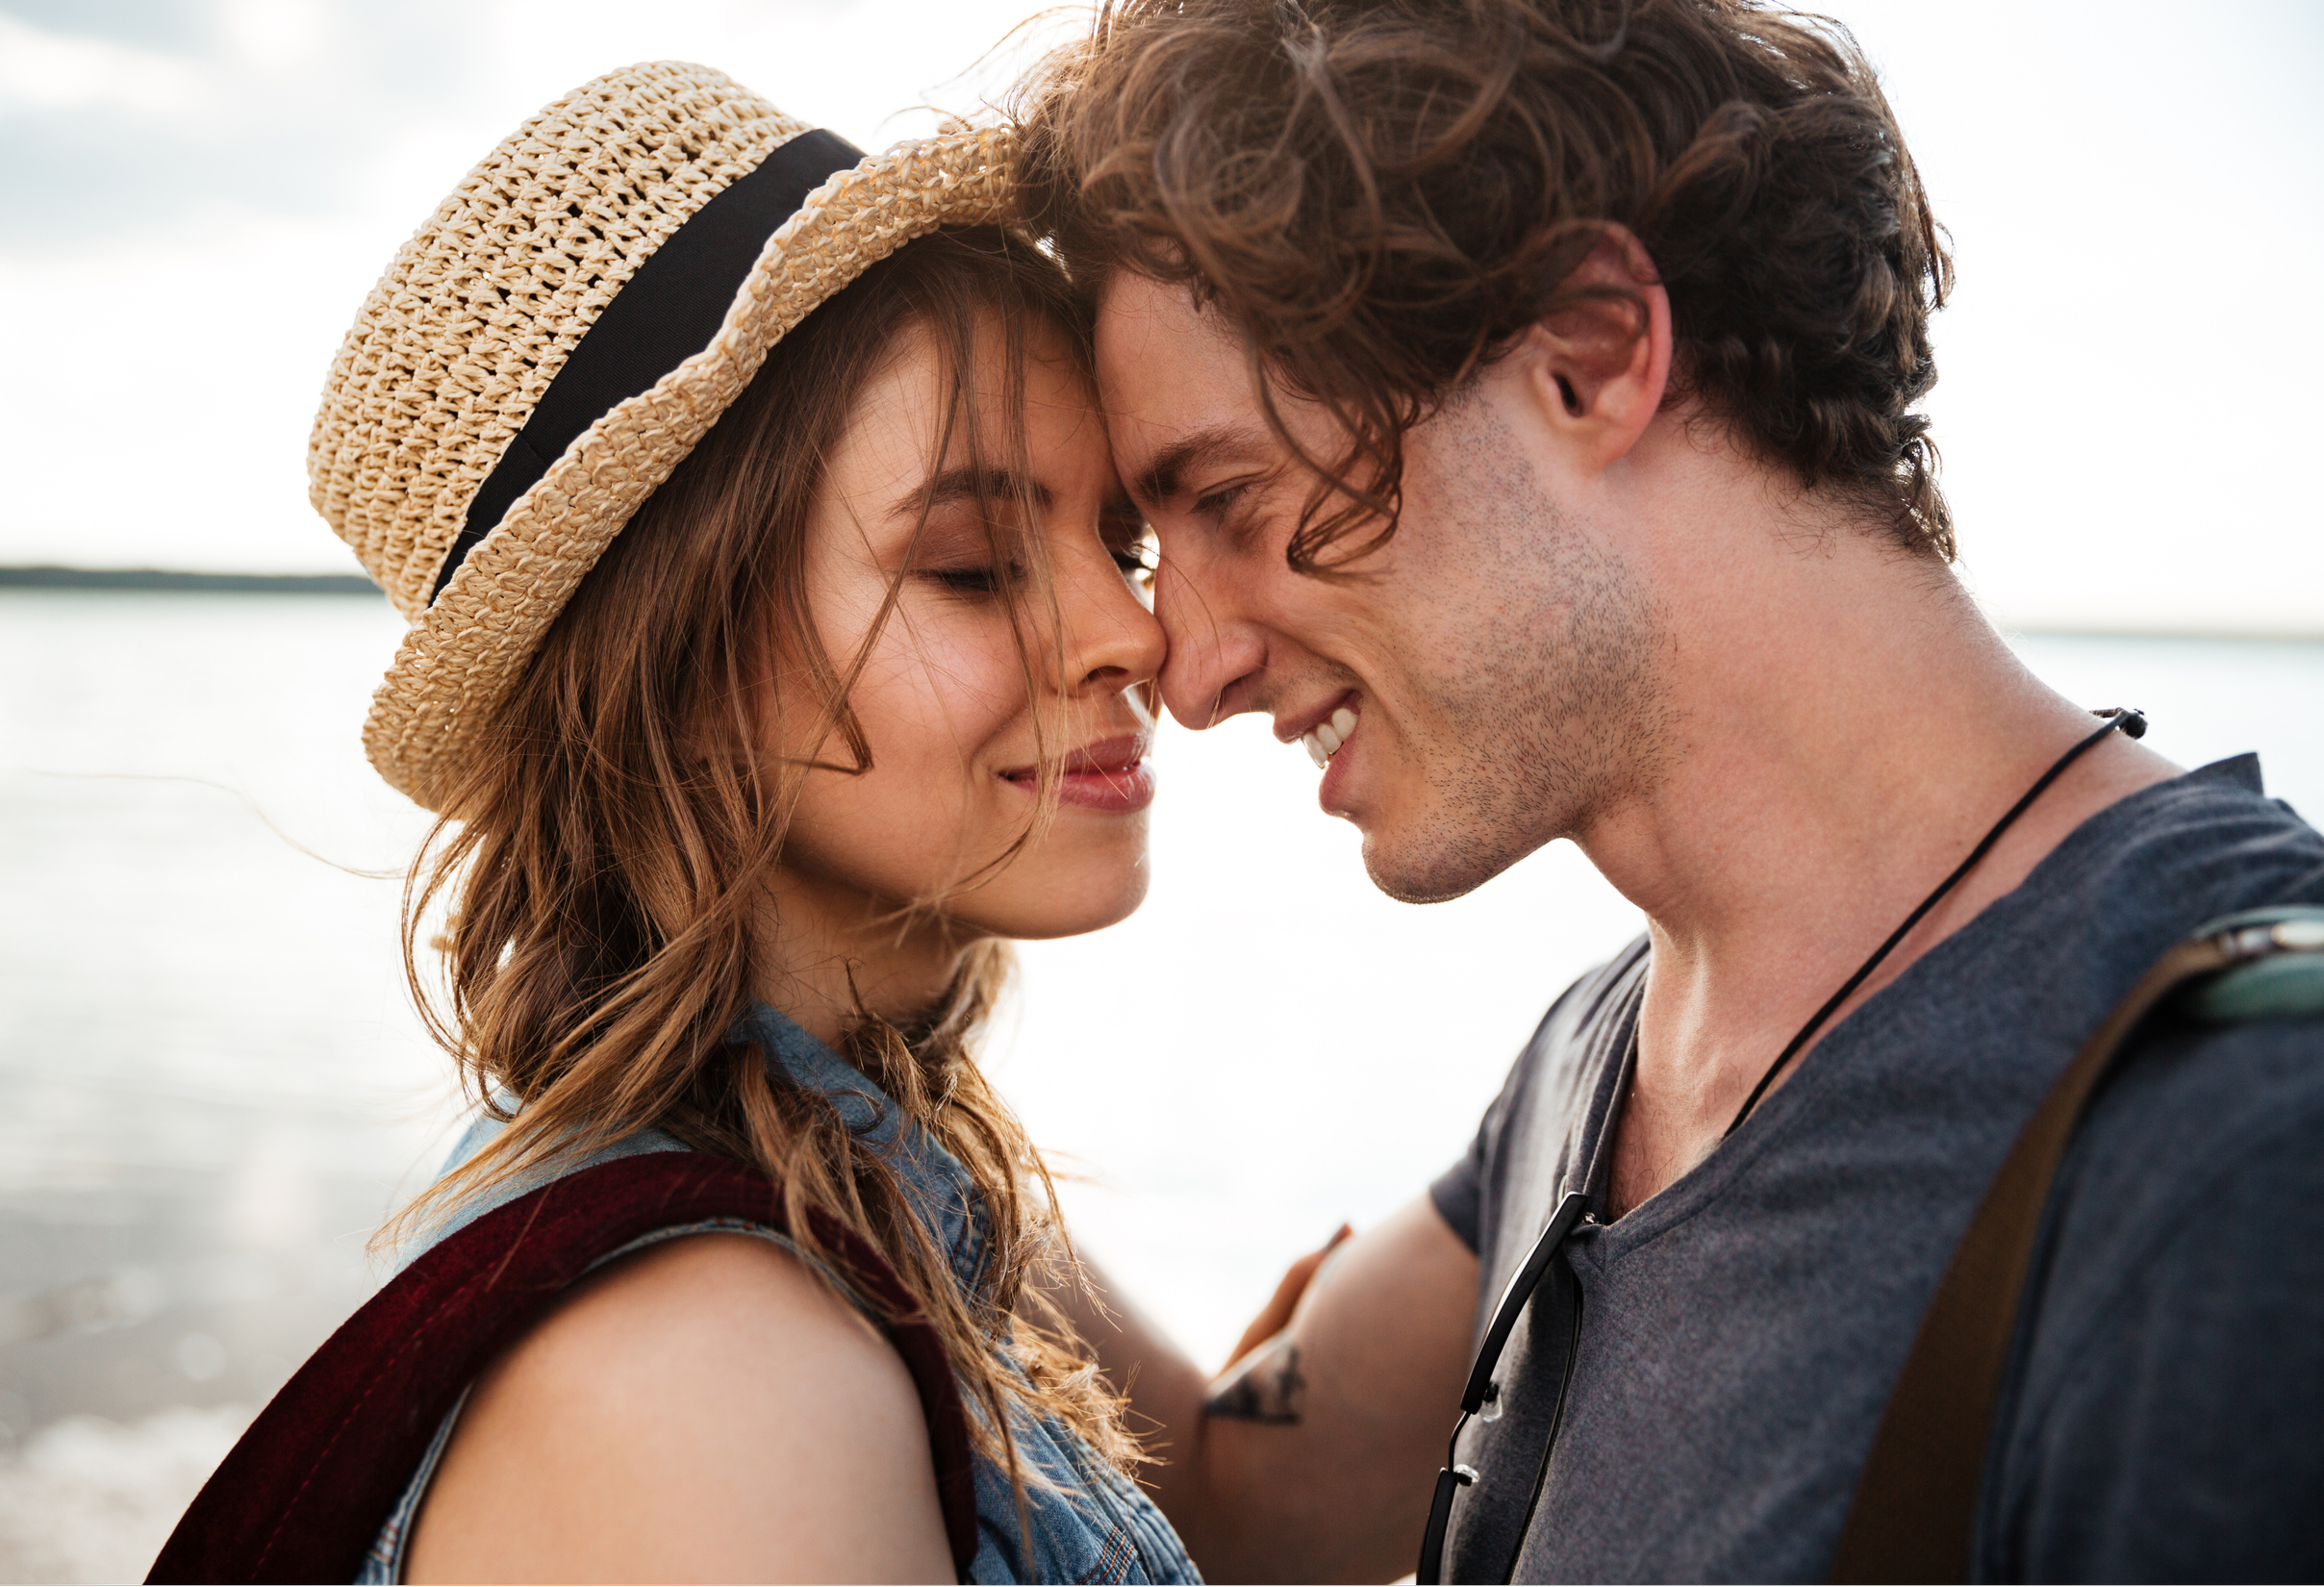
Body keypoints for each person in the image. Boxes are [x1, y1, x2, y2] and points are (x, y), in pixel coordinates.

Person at [1007, 2, 2324, 1581]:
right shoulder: (1601, 1057)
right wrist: (829, 1033)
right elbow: (1239, 1501)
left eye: (1233, 499)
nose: (1190, 669)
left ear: (1595, 351)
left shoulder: (2243, 1151)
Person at [152, 63, 1200, 1585]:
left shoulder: (845, 1160)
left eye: (1122, 539)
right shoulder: (723, 1382)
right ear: (682, 673)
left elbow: (1253, 1476)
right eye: (974, 567)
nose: (1134, 631)